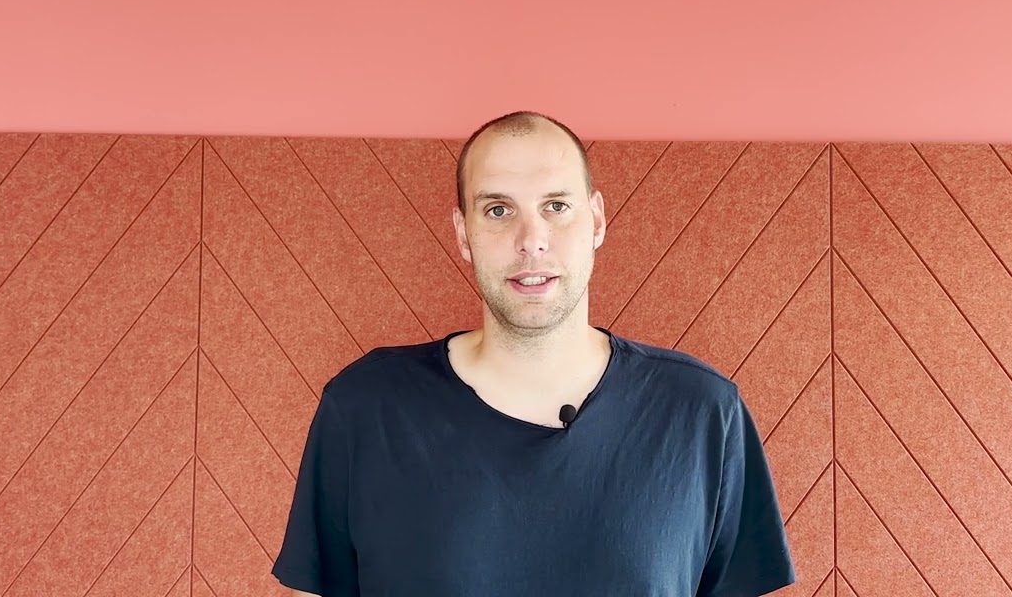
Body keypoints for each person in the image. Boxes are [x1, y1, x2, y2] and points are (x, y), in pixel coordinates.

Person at [271, 111, 796, 596]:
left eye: (556, 207)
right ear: (463, 235)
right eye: (498, 210)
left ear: (596, 221)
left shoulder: (702, 410)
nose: (532, 240)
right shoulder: (365, 407)